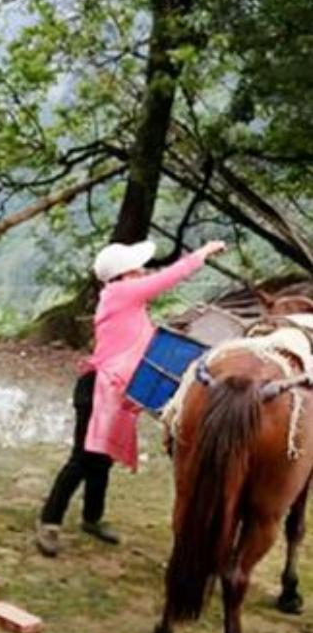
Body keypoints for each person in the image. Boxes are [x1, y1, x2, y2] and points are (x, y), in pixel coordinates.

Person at [36, 238, 226, 557]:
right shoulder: (123, 293)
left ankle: (92, 518)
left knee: (102, 458)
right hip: (97, 388)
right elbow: (168, 277)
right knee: (82, 459)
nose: (142, 271)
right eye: (137, 268)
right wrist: (203, 254)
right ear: (125, 273)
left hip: (112, 388)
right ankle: (49, 522)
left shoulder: (124, 298)